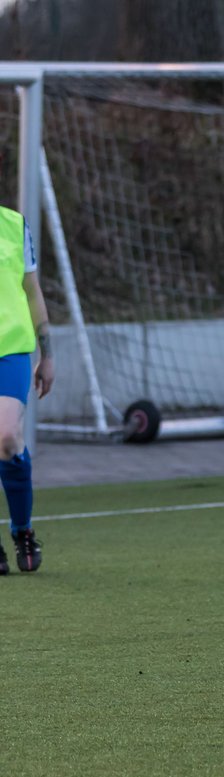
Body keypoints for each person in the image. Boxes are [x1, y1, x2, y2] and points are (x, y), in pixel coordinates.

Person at [0, 204, 54, 576]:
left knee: (6, 437)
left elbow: (31, 290)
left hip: (11, 350)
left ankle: (22, 530)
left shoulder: (14, 224)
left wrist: (48, 354)